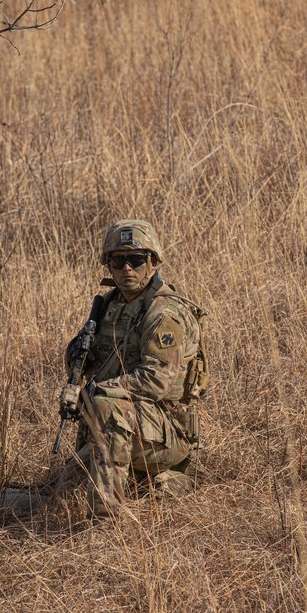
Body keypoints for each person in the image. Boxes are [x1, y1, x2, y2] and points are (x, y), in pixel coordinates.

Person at [60, 220, 208, 518]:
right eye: (118, 261)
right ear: (108, 265)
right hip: (125, 424)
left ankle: (105, 520)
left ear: (153, 262)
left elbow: (156, 381)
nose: (127, 268)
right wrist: (76, 362)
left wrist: (96, 392)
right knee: (57, 493)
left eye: (136, 260)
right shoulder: (111, 306)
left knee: (105, 405)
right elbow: (92, 363)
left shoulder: (165, 312)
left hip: (168, 434)